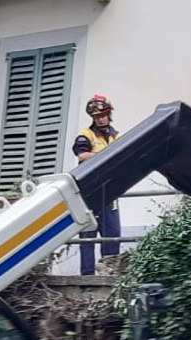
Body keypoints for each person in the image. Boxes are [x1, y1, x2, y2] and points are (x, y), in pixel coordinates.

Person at [72, 94, 121, 275]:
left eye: (103, 115)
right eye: (97, 116)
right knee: (88, 235)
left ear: (109, 115)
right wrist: (106, 155)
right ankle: (87, 275)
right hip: (90, 191)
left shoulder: (116, 136)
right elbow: (82, 155)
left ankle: (110, 271)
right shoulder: (86, 135)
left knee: (112, 234)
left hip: (111, 191)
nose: (100, 119)